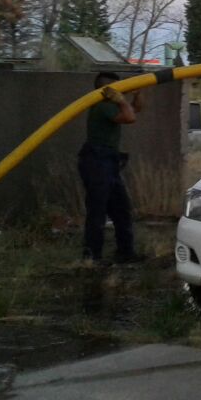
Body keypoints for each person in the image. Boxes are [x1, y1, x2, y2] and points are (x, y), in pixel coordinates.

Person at [79, 71, 145, 266]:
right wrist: (123, 101)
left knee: (121, 209)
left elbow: (136, 110)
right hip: (96, 161)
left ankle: (126, 252)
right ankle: (91, 257)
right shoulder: (102, 106)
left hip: (108, 161)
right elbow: (130, 118)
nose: (121, 90)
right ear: (107, 90)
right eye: (117, 87)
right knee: (97, 210)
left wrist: (137, 94)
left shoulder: (113, 104)